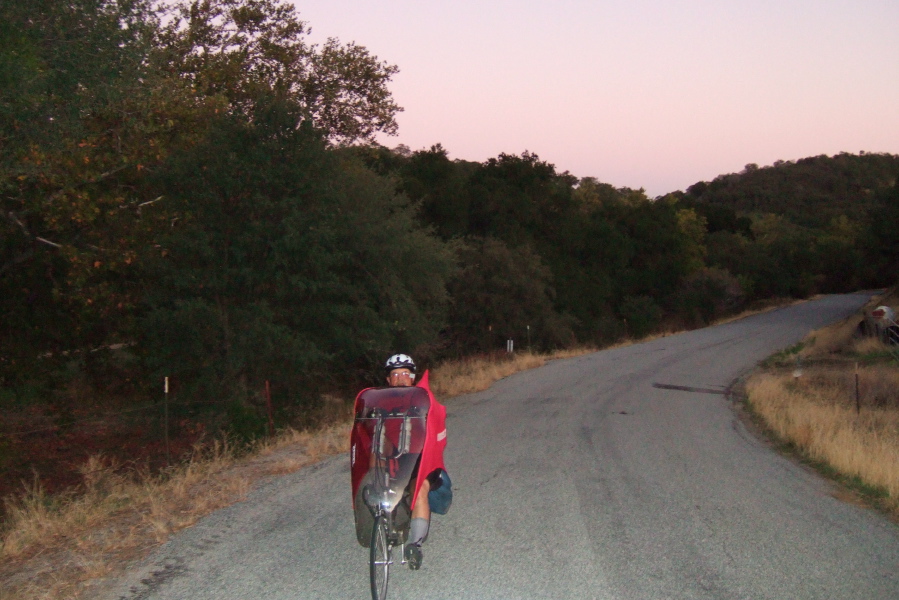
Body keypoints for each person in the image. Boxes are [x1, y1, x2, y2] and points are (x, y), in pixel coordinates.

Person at [382, 353, 450, 570]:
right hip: (397, 463)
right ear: (388, 381)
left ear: (412, 377)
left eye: (405, 373)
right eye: (395, 374)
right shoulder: (383, 406)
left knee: (419, 487)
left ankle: (415, 545)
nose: (401, 378)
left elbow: (437, 426)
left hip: (423, 464)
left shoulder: (425, 400)